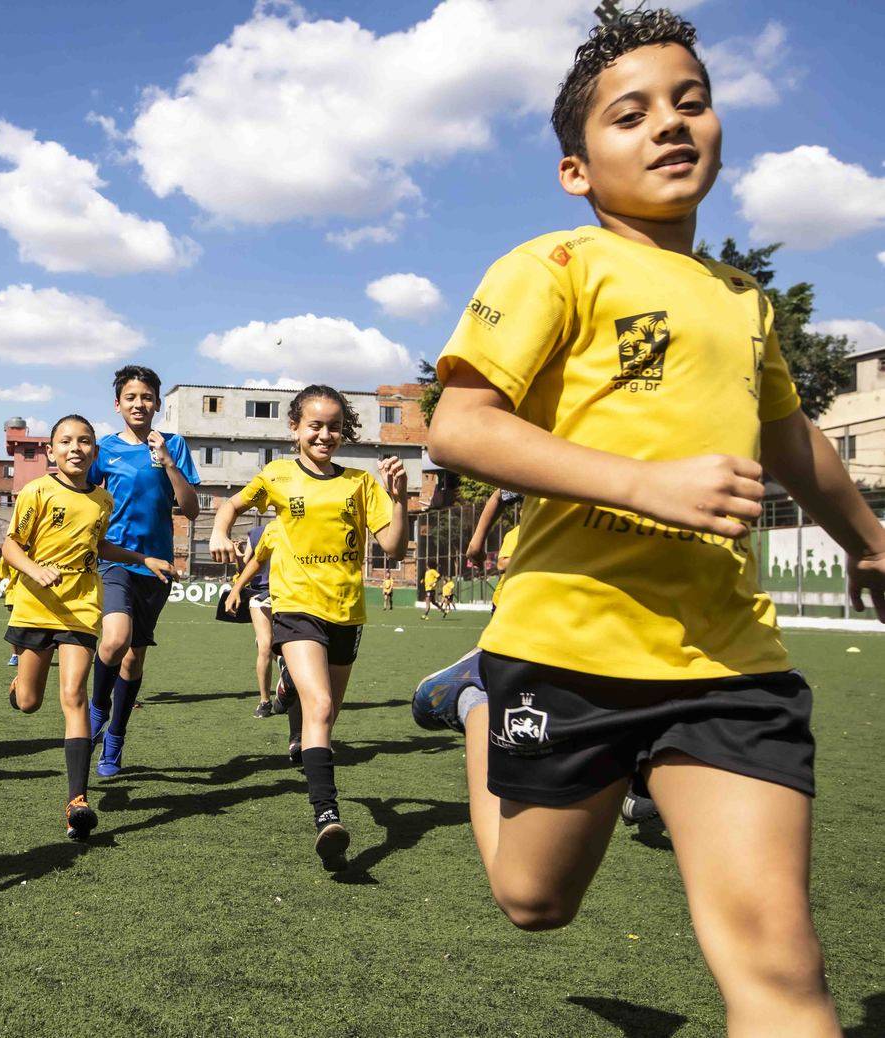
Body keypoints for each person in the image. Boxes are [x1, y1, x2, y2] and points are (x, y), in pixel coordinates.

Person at [415, 11, 884, 1032]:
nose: (671, 125)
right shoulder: (556, 267)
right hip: (567, 644)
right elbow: (458, 426)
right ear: (576, 170)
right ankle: (475, 702)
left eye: (692, 102)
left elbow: (792, 438)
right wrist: (646, 482)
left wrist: (873, 542)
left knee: (783, 973)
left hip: (728, 661)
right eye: (631, 116)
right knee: (534, 902)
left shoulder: (743, 301)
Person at [211, 386, 408, 871]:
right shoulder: (277, 475)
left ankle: (288, 686)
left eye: (334, 425)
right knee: (318, 706)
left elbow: (395, 548)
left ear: (345, 431)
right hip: (296, 608)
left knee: (328, 714)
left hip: (346, 613)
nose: (325, 434)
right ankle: (327, 818)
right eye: (314, 425)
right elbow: (231, 506)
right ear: (295, 429)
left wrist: (399, 499)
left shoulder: (362, 484)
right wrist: (219, 530)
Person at [4, 414, 175, 839]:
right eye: (66, 441)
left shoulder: (102, 500)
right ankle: (18, 686)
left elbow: (100, 545)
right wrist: (34, 569)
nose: (75, 448)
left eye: (84, 442)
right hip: (34, 606)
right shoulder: (36, 491)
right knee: (29, 702)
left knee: (74, 695)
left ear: (94, 452)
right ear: (51, 450)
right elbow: (11, 545)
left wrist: (142, 559)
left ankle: (76, 800)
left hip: (80, 607)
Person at [85, 365, 200, 777]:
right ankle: (97, 710)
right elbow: (87, 499)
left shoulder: (174, 445)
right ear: (117, 405)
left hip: (158, 570)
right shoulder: (103, 450)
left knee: (133, 663)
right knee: (114, 641)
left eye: (147, 397)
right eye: (131, 397)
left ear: (158, 404)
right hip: (115, 562)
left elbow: (190, 508)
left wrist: (168, 463)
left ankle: (114, 740)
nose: (139, 404)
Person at [224, 521, 280, 718]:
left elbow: (243, 567)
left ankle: (283, 689)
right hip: (261, 595)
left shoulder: (296, 526)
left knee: (278, 646)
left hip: (287, 594)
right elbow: (245, 569)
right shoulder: (256, 533)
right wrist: (238, 557)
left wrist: (238, 559)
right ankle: (265, 701)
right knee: (265, 645)